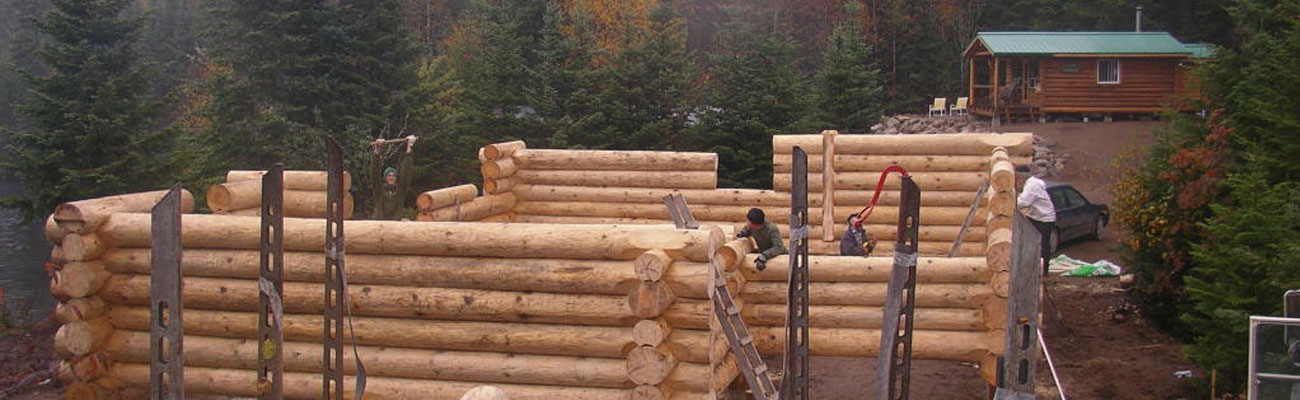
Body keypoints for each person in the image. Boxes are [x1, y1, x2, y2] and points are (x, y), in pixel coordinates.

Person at [1016, 164, 1056, 273]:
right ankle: (1034, 267)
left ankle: (1044, 271)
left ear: (1021, 177)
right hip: (1036, 217)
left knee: (1042, 245)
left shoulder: (1032, 186)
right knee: (1030, 242)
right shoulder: (1031, 184)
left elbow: (1023, 202)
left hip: (1043, 219)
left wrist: (1009, 201)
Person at [370, 136, 416, 220]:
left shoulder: (400, 191)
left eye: (393, 175)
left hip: (395, 226)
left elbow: (406, 174)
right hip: (379, 225)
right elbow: (374, 173)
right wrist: (377, 151)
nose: (391, 177)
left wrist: (409, 148)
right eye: (389, 175)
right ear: (385, 178)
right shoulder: (379, 190)